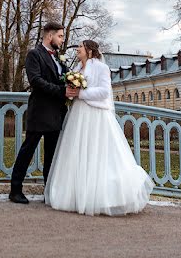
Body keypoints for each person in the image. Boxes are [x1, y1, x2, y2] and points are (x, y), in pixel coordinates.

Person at [45, 39, 153, 215]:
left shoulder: (102, 68)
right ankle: (76, 195)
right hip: (78, 115)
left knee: (99, 153)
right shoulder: (77, 70)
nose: (77, 49)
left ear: (89, 50)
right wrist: (71, 93)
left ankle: (104, 196)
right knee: (77, 153)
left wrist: (81, 93)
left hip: (96, 116)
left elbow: (104, 91)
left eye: (80, 47)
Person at [8, 22, 76, 204]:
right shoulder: (34, 54)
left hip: (57, 113)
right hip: (40, 111)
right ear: (49, 36)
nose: (62, 40)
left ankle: (49, 192)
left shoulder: (59, 58)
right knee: (27, 150)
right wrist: (62, 91)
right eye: (60, 36)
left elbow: (67, 77)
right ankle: (15, 190)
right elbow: (36, 81)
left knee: (52, 155)